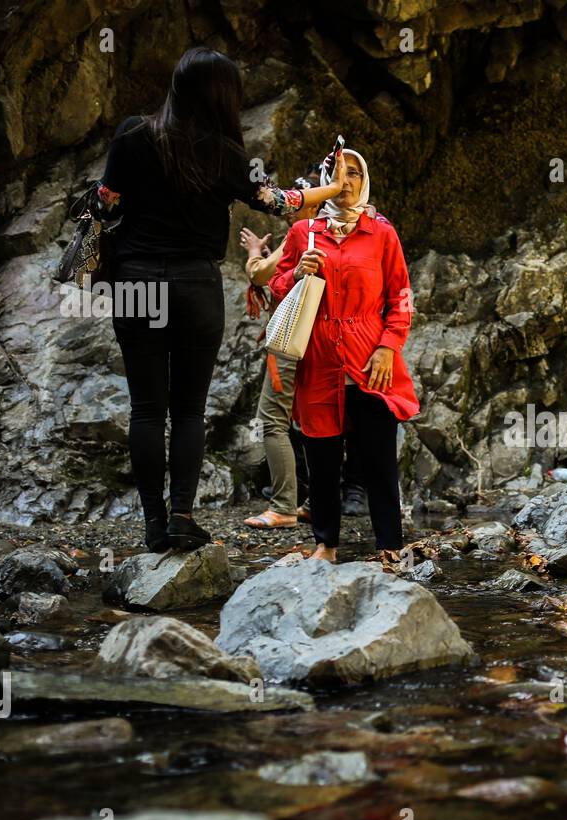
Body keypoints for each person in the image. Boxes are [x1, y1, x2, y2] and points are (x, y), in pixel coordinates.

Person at [91, 47, 346, 553]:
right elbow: (279, 203)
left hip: (137, 282)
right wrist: (334, 187)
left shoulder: (133, 134)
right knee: (188, 411)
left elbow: (105, 201)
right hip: (194, 286)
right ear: (223, 96)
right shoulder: (227, 155)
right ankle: (182, 516)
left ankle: (153, 525)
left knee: (146, 410)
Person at [269, 140, 419, 561]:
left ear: (365, 180)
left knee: (378, 463)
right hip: (318, 360)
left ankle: (390, 547)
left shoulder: (382, 233)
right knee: (322, 457)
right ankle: (326, 546)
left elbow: (402, 296)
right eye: (338, 173)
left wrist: (389, 347)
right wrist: (296, 273)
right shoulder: (304, 232)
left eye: (354, 173)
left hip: (371, 359)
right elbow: (276, 290)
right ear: (324, 182)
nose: (346, 181)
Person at [240, 165, 369, 530]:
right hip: (335, 343)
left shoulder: (306, 231)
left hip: (296, 339)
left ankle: (283, 505)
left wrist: (253, 252)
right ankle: (319, 500)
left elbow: (261, 275)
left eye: (298, 199)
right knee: (320, 421)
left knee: (274, 420)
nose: (291, 208)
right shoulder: (355, 231)